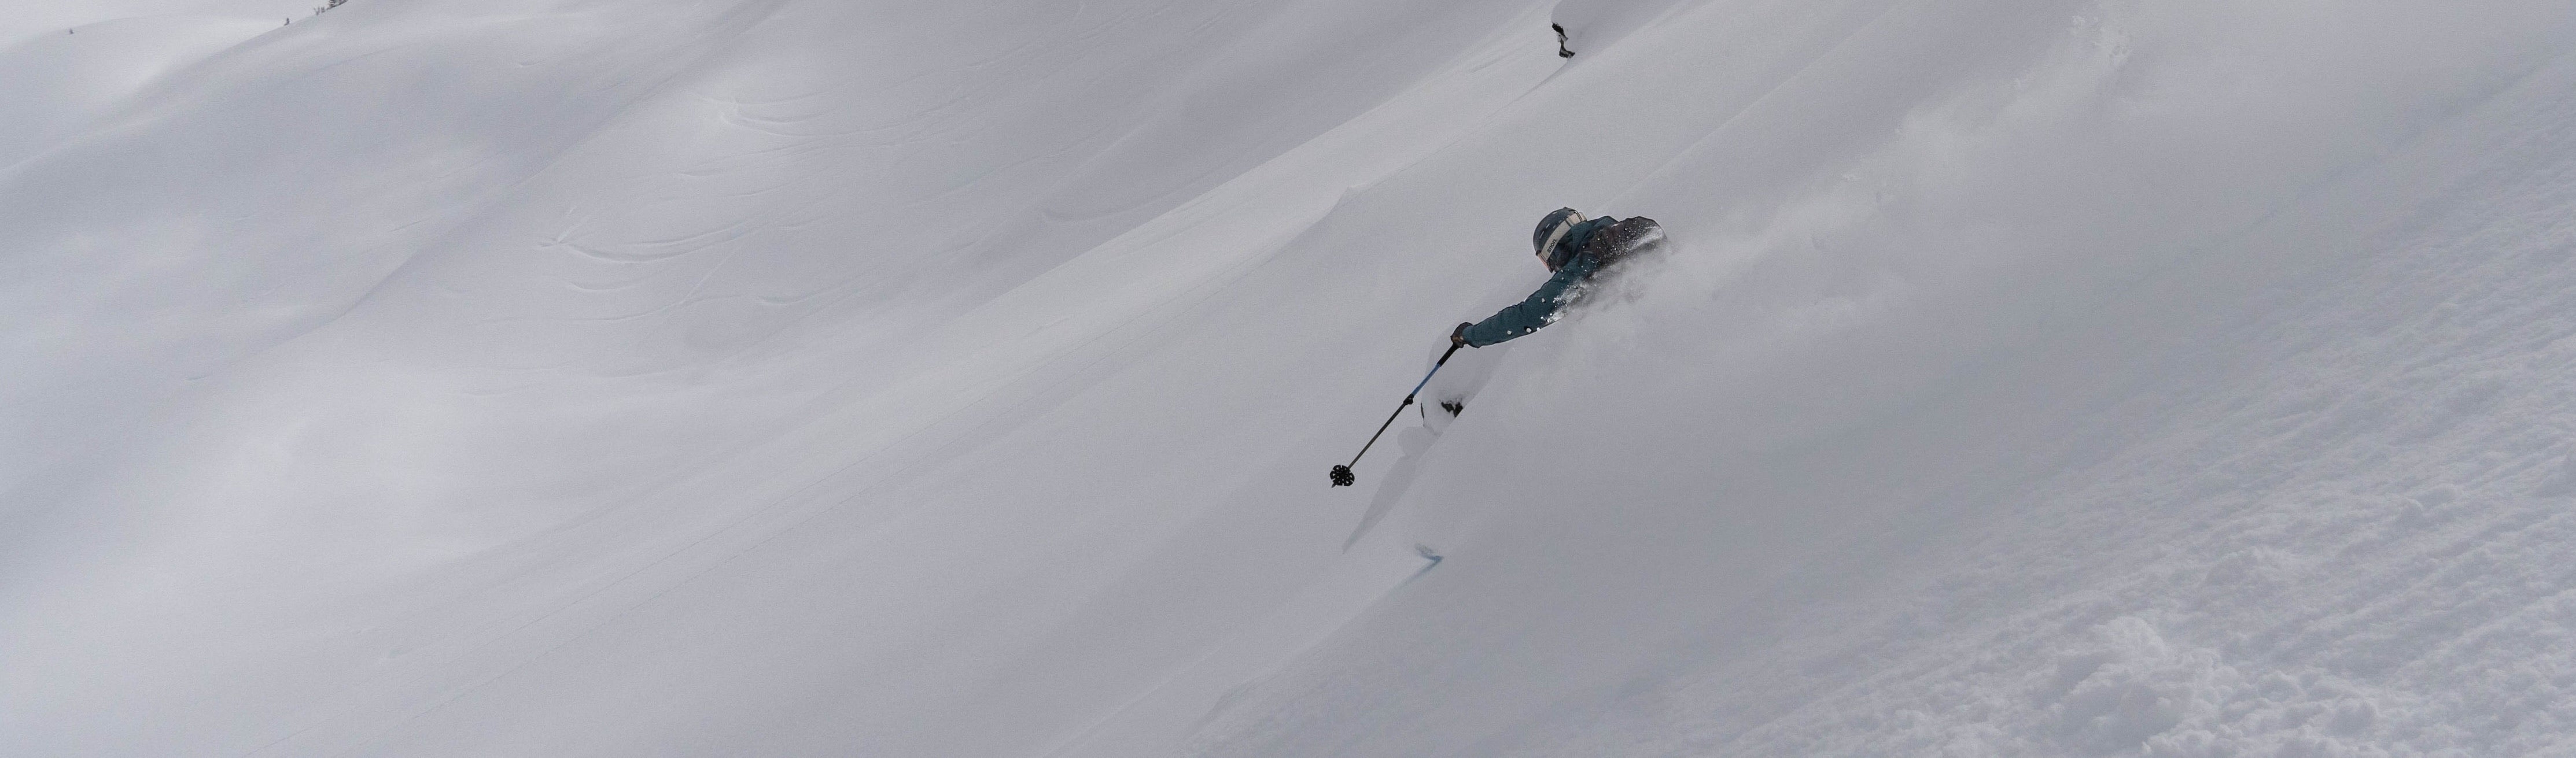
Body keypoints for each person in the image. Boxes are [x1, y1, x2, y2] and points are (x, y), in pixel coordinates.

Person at [1450, 208, 1659, 347]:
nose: (1552, 268)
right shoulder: (1616, 234)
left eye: (1546, 260)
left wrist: (1470, 335)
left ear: (1554, 246)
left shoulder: (1586, 261)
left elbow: (1531, 315)